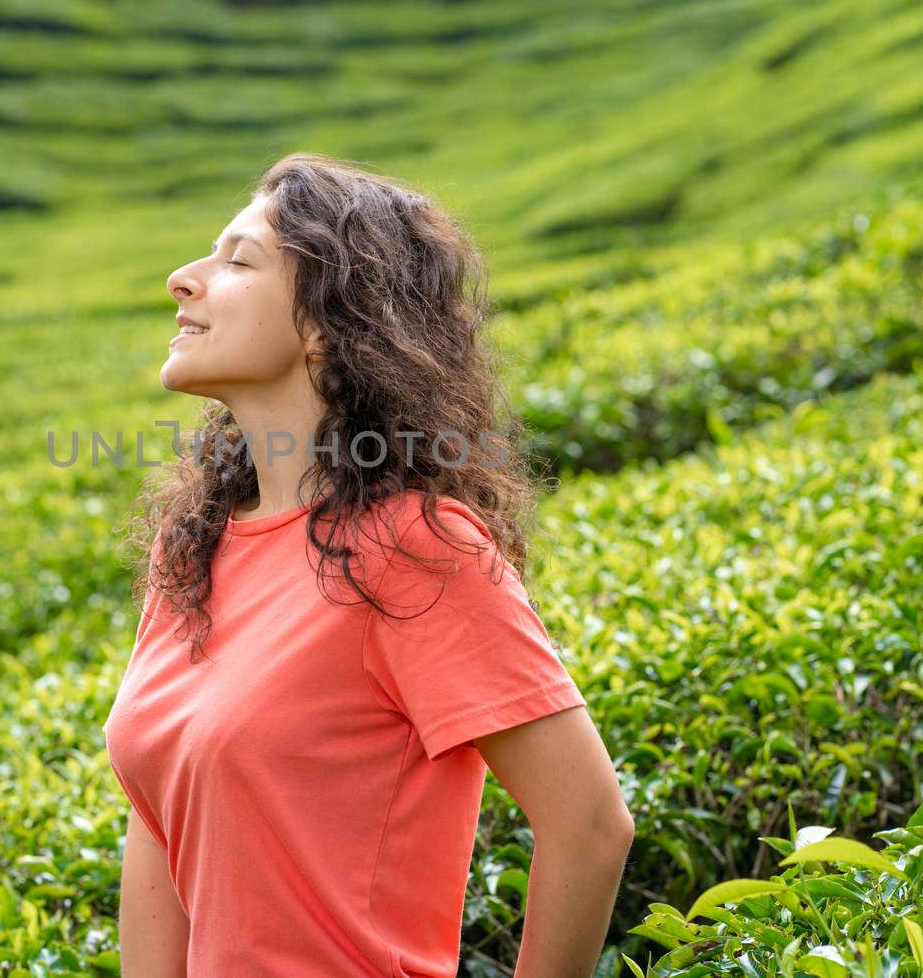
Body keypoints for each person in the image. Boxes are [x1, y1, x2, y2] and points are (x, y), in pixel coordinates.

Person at [102, 152, 634, 976]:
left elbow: (590, 823)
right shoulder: (195, 545)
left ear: (324, 324)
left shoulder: (414, 546)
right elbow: (159, 822)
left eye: (238, 260)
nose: (183, 278)